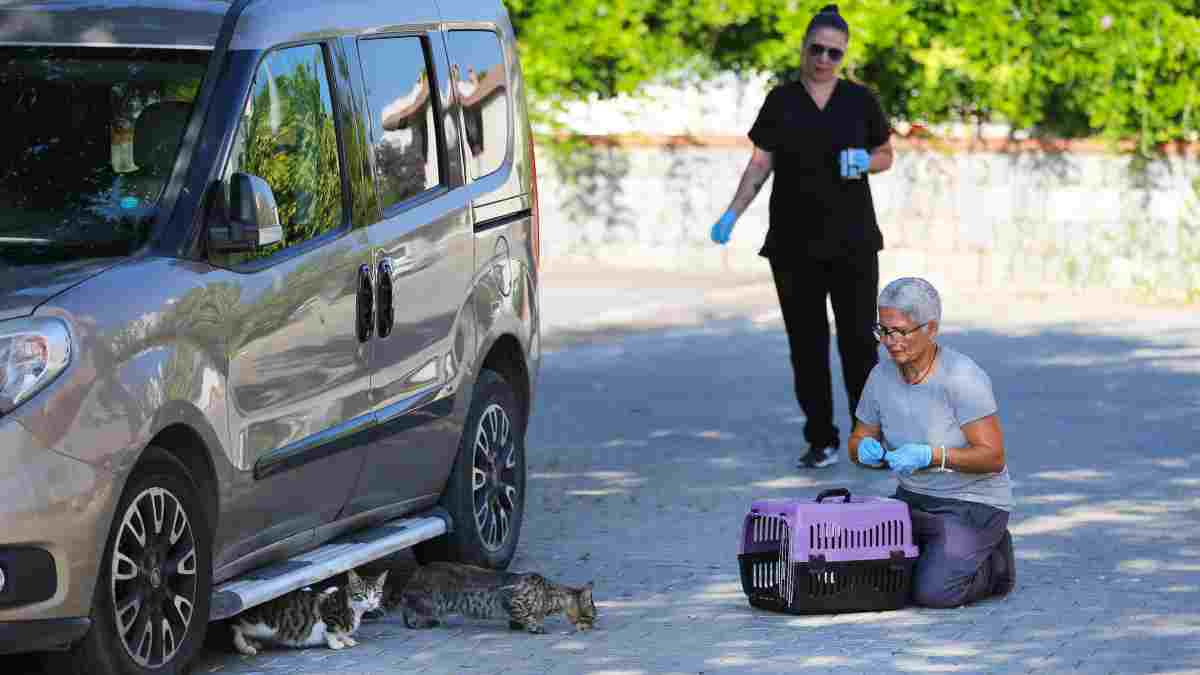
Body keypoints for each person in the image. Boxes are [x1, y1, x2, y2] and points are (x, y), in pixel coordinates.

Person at [710, 4, 894, 469]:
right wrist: (732, 214)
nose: (824, 60)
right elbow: (759, 163)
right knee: (806, 344)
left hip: (853, 243)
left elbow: (887, 154)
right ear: (803, 48)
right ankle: (822, 438)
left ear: (843, 55)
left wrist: (864, 162)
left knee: (858, 342)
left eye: (835, 53)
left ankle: (867, 437)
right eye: (817, 49)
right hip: (793, 246)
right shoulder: (781, 101)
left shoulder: (860, 101)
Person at [850, 277, 1016, 607]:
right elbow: (858, 438)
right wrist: (864, 452)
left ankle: (995, 564)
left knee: (935, 593)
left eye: (901, 331)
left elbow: (993, 457)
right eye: (883, 330)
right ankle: (945, 553)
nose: (890, 341)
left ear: (931, 329)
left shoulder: (962, 377)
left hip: (972, 504)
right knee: (875, 579)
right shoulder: (880, 376)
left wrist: (932, 456)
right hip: (912, 498)